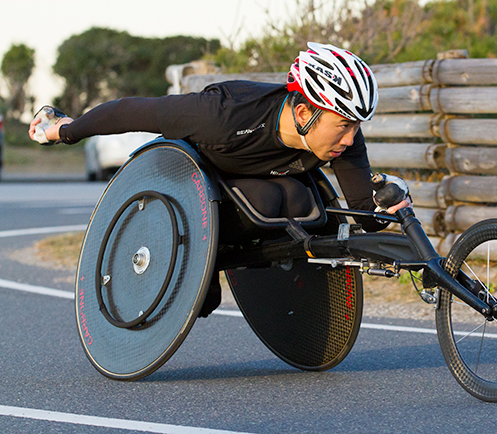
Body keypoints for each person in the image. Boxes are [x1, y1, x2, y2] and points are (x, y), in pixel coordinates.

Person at [29, 42, 411, 315]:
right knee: (263, 207)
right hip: (186, 186)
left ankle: (245, 265)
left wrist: (388, 209)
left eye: (355, 127)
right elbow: (129, 112)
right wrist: (65, 129)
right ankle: (200, 265)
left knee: (302, 204)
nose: (350, 138)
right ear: (304, 113)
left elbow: (364, 214)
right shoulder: (222, 113)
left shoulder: (343, 141)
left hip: (252, 191)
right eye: (343, 125)